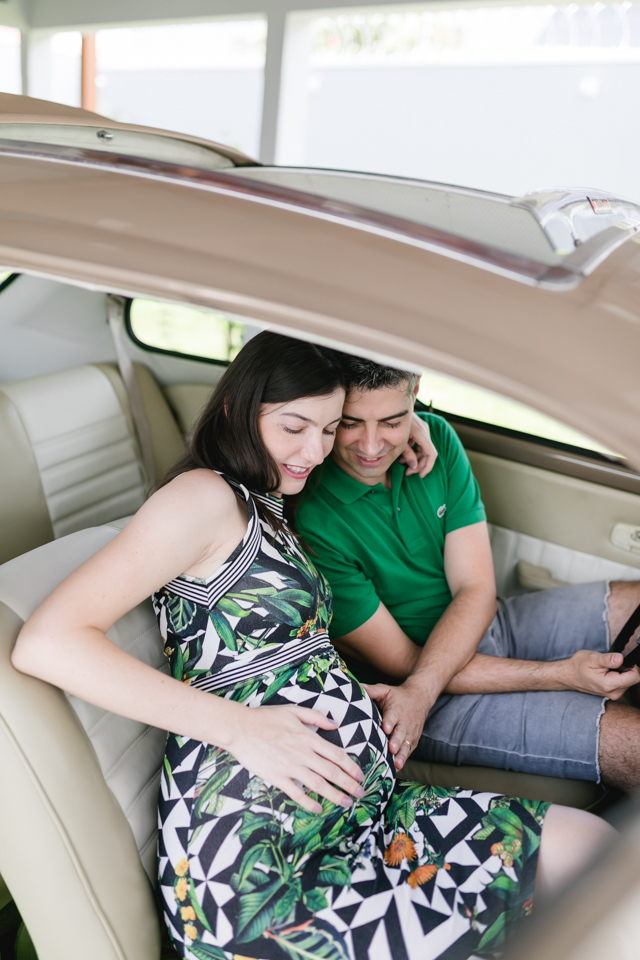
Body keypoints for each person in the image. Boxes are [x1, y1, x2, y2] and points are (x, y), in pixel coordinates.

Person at [12, 333, 612, 960]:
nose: (314, 451)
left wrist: (414, 429)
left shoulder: (271, 500)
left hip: (363, 817)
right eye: (296, 426)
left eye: (329, 429)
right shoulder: (203, 499)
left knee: (589, 849)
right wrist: (241, 728)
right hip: (265, 857)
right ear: (236, 410)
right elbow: (48, 642)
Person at [295, 356, 640, 792]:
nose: (370, 446)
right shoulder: (311, 519)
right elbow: (404, 661)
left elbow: (477, 589)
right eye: (350, 423)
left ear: (415, 394)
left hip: (490, 627)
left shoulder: (437, 438)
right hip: (435, 696)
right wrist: (559, 674)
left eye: (392, 421)